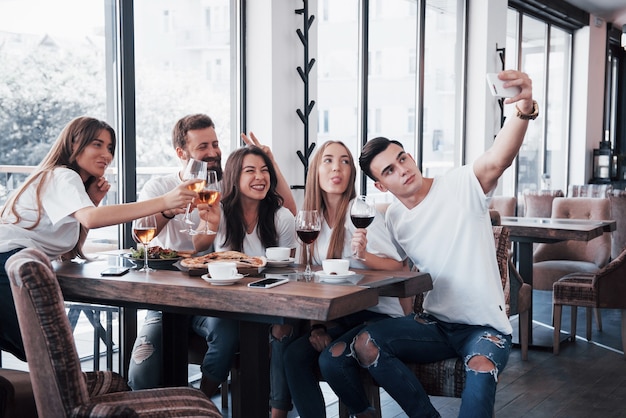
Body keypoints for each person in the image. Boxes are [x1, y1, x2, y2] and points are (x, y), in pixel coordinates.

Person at [320, 70, 536, 418]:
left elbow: (498, 159)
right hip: (434, 325)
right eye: (389, 170)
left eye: (402, 158)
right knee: (362, 344)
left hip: (484, 328)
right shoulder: (393, 218)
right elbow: (401, 269)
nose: (402, 169)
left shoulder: (460, 185)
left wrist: (523, 109)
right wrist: (364, 256)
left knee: (480, 367)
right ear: (381, 186)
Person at [0, 116, 198, 361]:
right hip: (5, 266)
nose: (107, 154)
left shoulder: (64, 182)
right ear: (74, 145)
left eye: (110, 148)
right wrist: (165, 201)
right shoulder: (63, 176)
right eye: (97, 144)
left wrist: (91, 201)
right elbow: (92, 219)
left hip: (11, 265)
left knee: (48, 356)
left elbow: (70, 249)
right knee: (51, 356)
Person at [127, 113, 296, 396]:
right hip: (164, 295)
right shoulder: (158, 187)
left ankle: (199, 403)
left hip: (209, 293)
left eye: (215, 144)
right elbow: (139, 234)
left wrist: (271, 164)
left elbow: (285, 211)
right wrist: (170, 208)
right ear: (181, 152)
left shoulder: (221, 187)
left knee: (227, 333)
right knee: (142, 374)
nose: (213, 152)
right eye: (203, 146)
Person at [270, 140, 411, 418]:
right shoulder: (312, 220)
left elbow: (400, 269)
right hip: (340, 318)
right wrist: (317, 328)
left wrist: (366, 256)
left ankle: (363, 411)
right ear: (316, 172)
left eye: (345, 162)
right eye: (329, 161)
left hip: (375, 315)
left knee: (328, 357)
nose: (338, 168)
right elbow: (311, 283)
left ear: (352, 174)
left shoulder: (360, 215)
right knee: (293, 356)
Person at [192, 145, 297, 400]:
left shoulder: (282, 217)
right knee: (226, 333)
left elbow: (289, 272)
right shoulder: (221, 212)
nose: (259, 177)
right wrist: (209, 224)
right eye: (250, 171)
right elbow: (200, 250)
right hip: (218, 304)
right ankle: (200, 403)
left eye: (264, 170)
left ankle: (273, 407)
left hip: (265, 305)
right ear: (234, 177)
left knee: (281, 332)